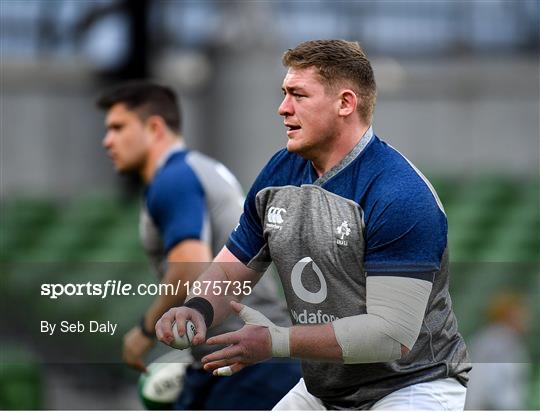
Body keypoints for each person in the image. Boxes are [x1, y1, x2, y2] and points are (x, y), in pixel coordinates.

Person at [156, 39, 472, 410]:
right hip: (325, 390)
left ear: (345, 104)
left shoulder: (400, 194)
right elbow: (232, 269)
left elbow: (390, 336)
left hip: (412, 385)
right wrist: (197, 308)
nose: (282, 108)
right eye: (283, 93)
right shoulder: (278, 174)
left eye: (298, 95)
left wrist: (277, 342)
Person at [96, 81, 300, 410]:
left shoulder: (172, 180)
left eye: (118, 127)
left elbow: (189, 267)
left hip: (243, 365)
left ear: (154, 127)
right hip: (246, 357)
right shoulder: (201, 169)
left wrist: (144, 332)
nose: (107, 141)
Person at [465, 291, 531, 410]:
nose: (525, 318)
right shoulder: (497, 342)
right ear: (509, 315)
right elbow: (485, 384)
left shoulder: (507, 340)